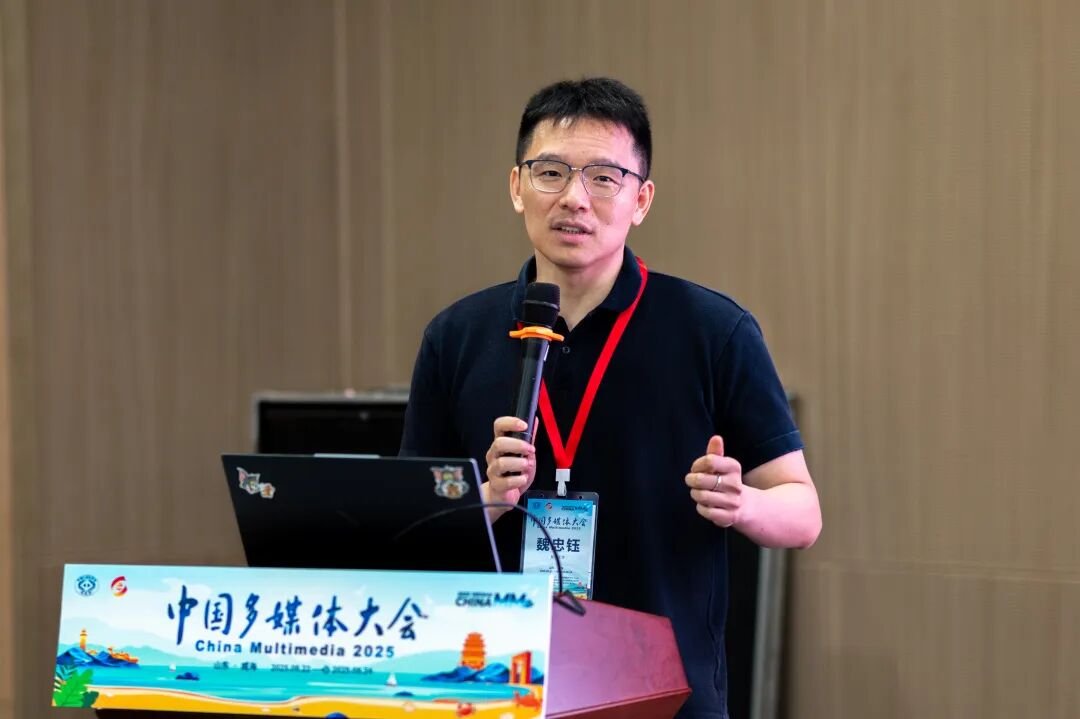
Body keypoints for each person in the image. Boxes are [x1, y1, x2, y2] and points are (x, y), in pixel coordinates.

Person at [401, 77, 821, 719]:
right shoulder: (456, 335)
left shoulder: (713, 331)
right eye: (551, 173)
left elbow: (803, 514)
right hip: (493, 691)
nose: (574, 198)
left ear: (641, 200)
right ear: (516, 187)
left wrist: (743, 504)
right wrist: (484, 501)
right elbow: (408, 533)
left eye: (604, 178)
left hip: (662, 696)